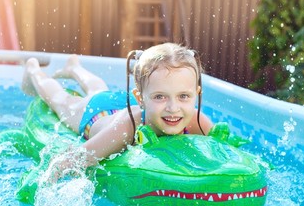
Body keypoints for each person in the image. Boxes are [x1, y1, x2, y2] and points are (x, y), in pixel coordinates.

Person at [21, 42, 214, 180]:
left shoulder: (197, 121)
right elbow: (75, 159)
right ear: (142, 98)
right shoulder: (128, 128)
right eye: (160, 96)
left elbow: (225, 150)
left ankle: (74, 68)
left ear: (196, 95)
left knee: (99, 89)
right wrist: (44, 180)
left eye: (183, 96)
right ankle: (34, 70)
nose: (173, 108)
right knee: (61, 99)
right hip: (98, 113)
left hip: (133, 104)